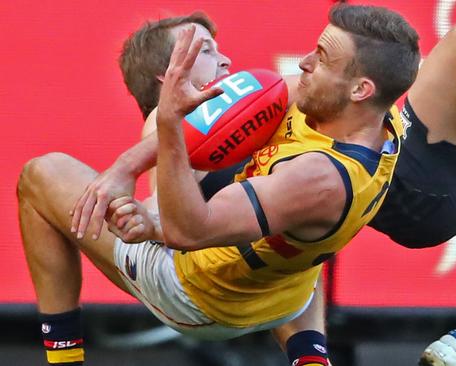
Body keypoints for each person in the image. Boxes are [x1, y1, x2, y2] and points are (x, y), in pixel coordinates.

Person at [65, 3, 456, 366]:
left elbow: (274, 253)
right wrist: (151, 197)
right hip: (411, 177)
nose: (221, 60)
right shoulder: (184, 123)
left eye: (214, 45)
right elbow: (212, 218)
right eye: (199, 51)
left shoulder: (244, 107)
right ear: (165, 79)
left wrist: (129, 172)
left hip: (411, 156)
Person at [17, 6, 420, 366]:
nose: (303, 64)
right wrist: (129, 166)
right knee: (289, 239)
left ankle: (64, 356)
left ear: (360, 89)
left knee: (40, 173)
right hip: (288, 293)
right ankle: (310, 355)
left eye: (323, 58)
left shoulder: (316, 177)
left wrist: (171, 125)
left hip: (204, 300)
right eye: (205, 50)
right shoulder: (379, 118)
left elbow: (184, 231)